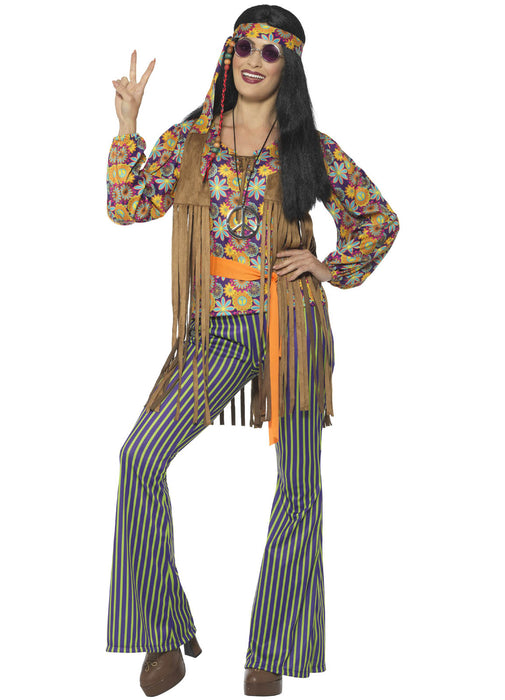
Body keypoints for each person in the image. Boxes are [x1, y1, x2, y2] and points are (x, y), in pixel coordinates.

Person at [105, 4, 399, 697]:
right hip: (218, 332)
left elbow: (378, 219)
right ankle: (161, 634)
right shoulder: (192, 140)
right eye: (245, 46)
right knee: (139, 457)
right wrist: (126, 129)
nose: (255, 60)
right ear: (228, 54)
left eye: (272, 51)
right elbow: (127, 206)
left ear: (288, 66)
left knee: (298, 488)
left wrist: (327, 266)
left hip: (292, 325)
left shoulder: (309, 148)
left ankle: (272, 649)